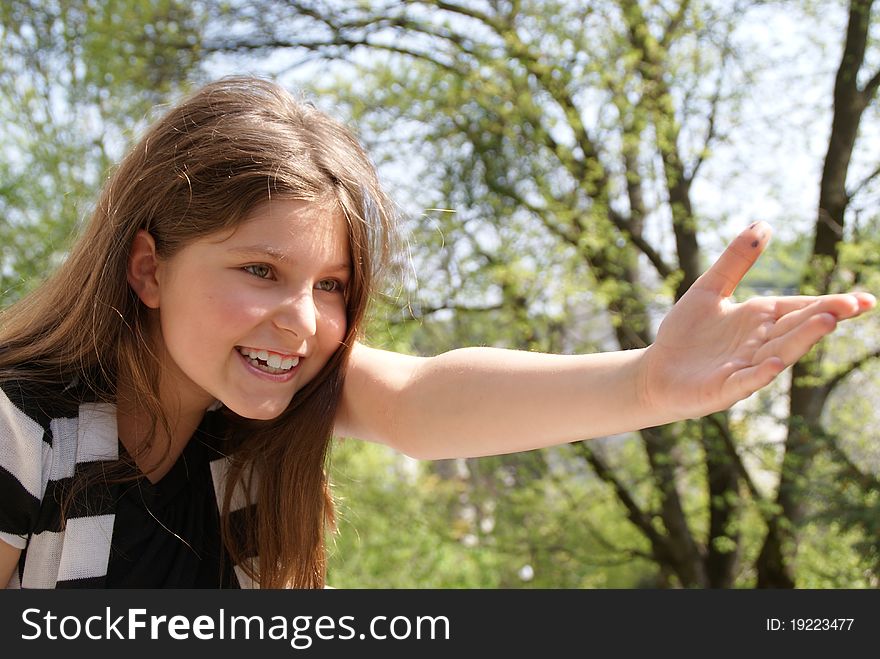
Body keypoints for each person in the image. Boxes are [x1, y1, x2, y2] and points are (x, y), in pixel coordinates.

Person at [0, 76, 874, 589]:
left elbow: (420, 400)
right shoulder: (22, 429)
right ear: (148, 268)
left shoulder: (258, 410)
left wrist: (647, 382)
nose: (304, 321)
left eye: (332, 285)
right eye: (260, 271)